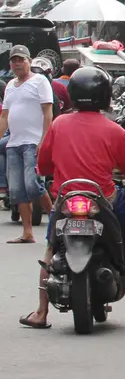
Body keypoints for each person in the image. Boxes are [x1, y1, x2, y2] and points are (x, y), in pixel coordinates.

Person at [19, 68, 125, 329]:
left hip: (66, 198)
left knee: (52, 249)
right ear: (105, 96)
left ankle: (42, 312)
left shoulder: (58, 124)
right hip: (104, 198)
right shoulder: (114, 130)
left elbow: (43, 166)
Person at [0, 45, 54, 244]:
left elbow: (48, 112)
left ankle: (58, 222)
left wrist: (45, 139)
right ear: (10, 64)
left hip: (33, 143)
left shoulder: (40, 81)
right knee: (16, 191)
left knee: (33, 185)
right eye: (14, 60)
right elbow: (5, 116)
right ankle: (27, 232)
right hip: (14, 144)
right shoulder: (10, 86)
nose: (17, 63)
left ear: (29, 61)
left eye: (21, 60)